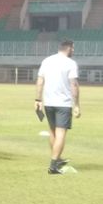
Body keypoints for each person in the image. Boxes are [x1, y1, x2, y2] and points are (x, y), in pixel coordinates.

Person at [35, 40, 80, 175]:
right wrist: (76, 104)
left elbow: (40, 81)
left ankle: (57, 158)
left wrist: (38, 99)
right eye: (73, 48)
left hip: (48, 102)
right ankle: (53, 166)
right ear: (69, 48)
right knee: (60, 134)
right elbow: (74, 85)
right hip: (63, 103)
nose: (74, 51)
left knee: (52, 131)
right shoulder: (70, 63)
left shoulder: (47, 61)